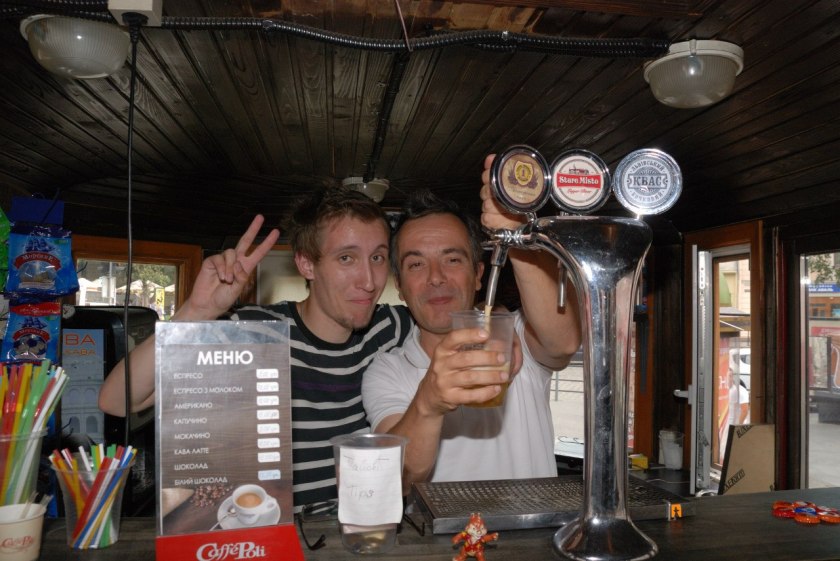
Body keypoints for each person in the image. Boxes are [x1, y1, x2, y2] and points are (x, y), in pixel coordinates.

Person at [98, 188, 413, 511]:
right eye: (346, 258)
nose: (370, 280)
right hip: (269, 532)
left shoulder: (392, 327)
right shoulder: (252, 333)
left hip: (360, 530)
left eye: (377, 257)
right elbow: (117, 400)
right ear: (306, 265)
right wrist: (196, 312)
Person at [362, 158, 582, 488]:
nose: (436, 278)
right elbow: (401, 476)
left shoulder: (515, 334)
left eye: (452, 259)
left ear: (479, 274)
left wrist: (515, 236)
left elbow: (564, 343)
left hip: (531, 537)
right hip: (444, 540)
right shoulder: (387, 370)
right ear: (400, 286)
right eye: (416, 265)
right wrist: (429, 401)